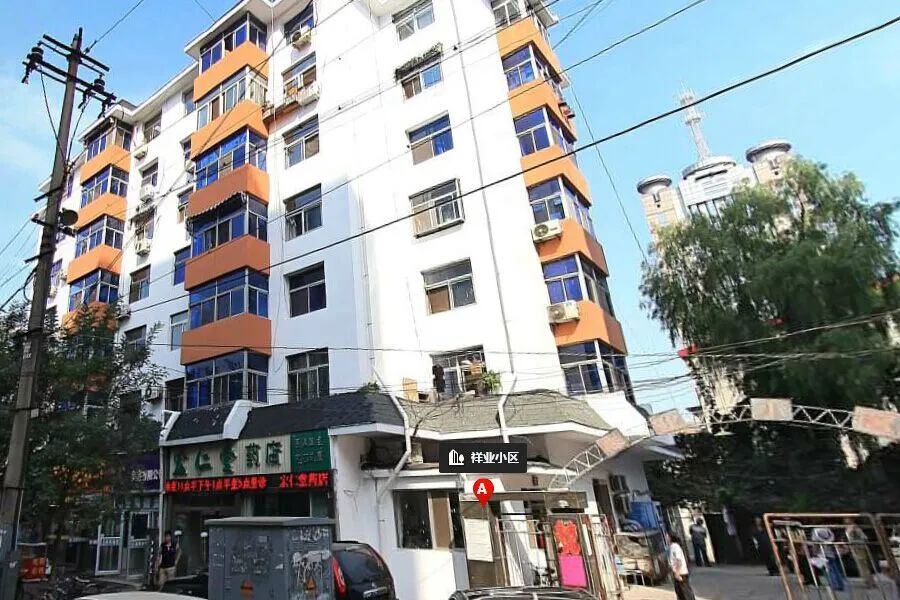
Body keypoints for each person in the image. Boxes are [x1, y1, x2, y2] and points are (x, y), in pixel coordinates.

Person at [811, 527, 845, 592]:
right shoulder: (828, 531)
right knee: (835, 569)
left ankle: (834, 584)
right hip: (830, 553)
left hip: (822, 553)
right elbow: (832, 539)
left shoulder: (816, 531)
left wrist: (814, 552)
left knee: (828, 570)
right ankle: (840, 584)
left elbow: (815, 543)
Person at [844, 518, 876, 589]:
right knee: (862, 566)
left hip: (859, 548)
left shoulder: (855, 528)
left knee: (863, 566)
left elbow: (864, 537)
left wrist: (859, 544)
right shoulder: (849, 528)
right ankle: (868, 581)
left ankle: (869, 582)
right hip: (855, 548)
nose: (845, 521)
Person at [667, 532, 696, 600]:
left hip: (681, 573)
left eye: (667, 536)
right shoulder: (672, 546)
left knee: (685, 593)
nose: (666, 538)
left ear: (671, 538)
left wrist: (677, 573)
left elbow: (678, 560)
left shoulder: (675, 546)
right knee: (680, 593)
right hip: (677, 572)